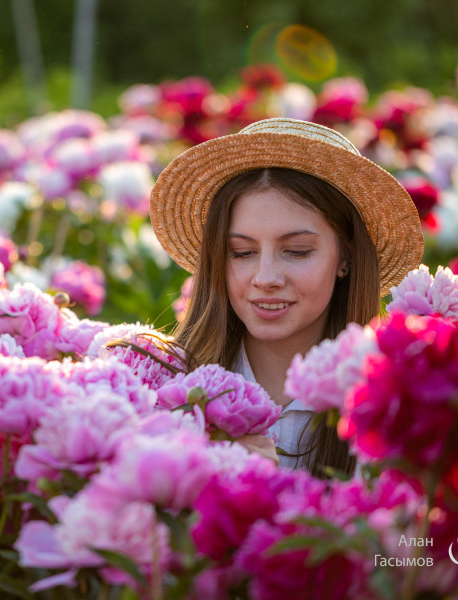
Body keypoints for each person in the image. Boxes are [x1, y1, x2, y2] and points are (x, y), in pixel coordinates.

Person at [149, 118, 424, 477]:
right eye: (241, 253)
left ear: (346, 257)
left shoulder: (395, 409)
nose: (265, 278)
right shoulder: (163, 387)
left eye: (296, 251)